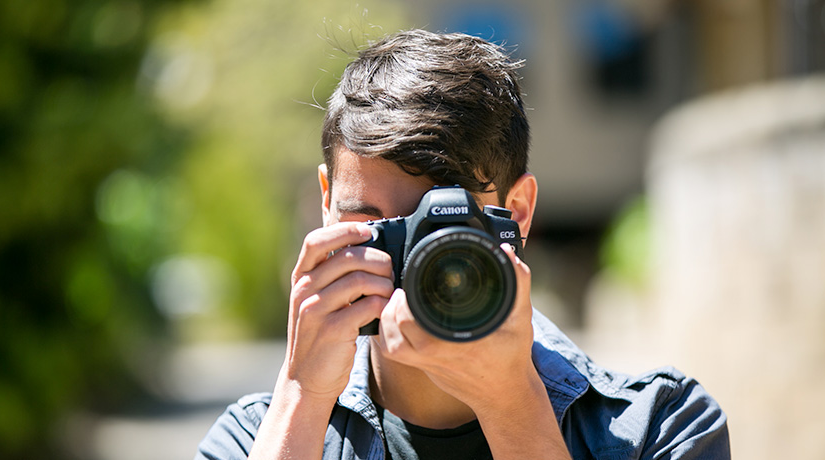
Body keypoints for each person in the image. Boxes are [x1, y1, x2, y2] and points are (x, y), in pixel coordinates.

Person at [195, 29, 730, 459]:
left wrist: (512, 404)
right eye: (374, 225)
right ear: (326, 203)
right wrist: (301, 398)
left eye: (438, 231)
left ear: (515, 213)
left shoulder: (660, 429)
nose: (409, 264)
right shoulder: (251, 440)